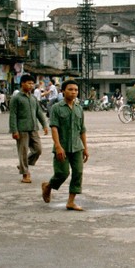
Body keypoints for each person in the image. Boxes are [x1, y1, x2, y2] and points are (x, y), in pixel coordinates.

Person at [42, 80, 89, 211]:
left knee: (78, 173)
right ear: (63, 91)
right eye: (70, 89)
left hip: (77, 147)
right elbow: (54, 128)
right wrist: (57, 146)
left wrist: (85, 148)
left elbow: (82, 130)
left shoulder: (79, 108)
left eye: (76, 90)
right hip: (62, 146)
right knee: (62, 173)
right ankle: (48, 186)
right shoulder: (56, 108)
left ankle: (71, 202)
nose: (73, 92)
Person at [9, 74, 49, 184]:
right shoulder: (16, 98)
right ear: (22, 83)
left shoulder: (33, 98)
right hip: (21, 129)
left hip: (33, 128)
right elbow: (13, 115)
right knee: (23, 151)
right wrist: (14, 130)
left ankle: (22, 165)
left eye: (32, 83)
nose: (31, 85)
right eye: (29, 83)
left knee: (38, 150)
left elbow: (39, 112)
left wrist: (44, 125)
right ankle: (25, 174)